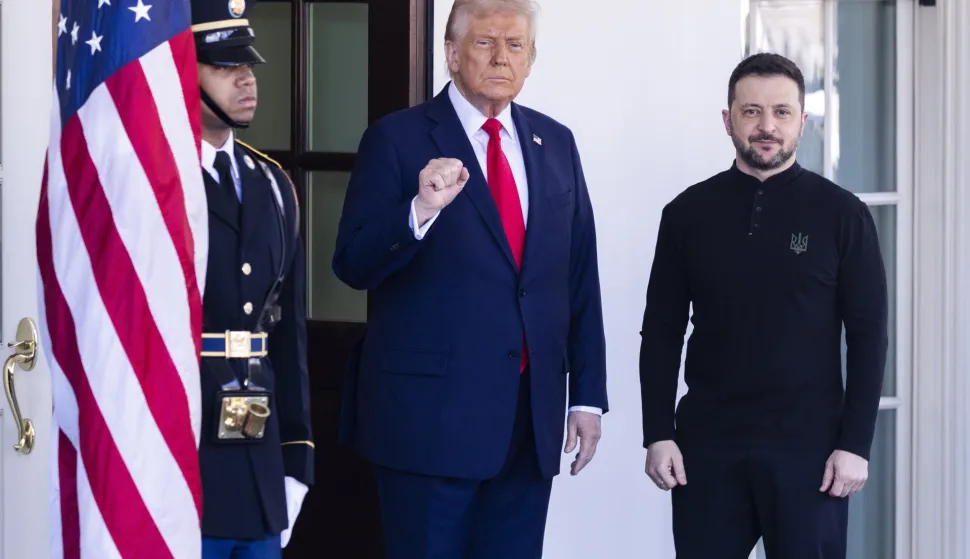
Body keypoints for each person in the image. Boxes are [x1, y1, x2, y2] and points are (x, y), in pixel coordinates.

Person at [332, 0, 608, 556]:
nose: (502, 57)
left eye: (516, 45)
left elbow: (578, 276)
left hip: (529, 421)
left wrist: (587, 396)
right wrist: (418, 211)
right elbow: (353, 263)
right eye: (485, 42)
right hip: (428, 424)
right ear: (452, 54)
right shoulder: (396, 138)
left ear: (531, 59)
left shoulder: (555, 142)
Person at [639, 52, 888, 559]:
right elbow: (662, 332)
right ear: (728, 119)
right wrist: (658, 433)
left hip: (811, 452)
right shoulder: (686, 214)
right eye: (751, 111)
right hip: (707, 447)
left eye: (781, 112)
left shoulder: (843, 214)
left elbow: (869, 336)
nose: (767, 126)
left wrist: (855, 444)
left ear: (802, 120)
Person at [190, 1, 313, 557]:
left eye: (249, 65)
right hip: (181, 456)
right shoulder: (157, 179)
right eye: (224, 66)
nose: (246, 79)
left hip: (259, 461)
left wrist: (296, 460)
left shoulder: (273, 184)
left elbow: (288, 335)